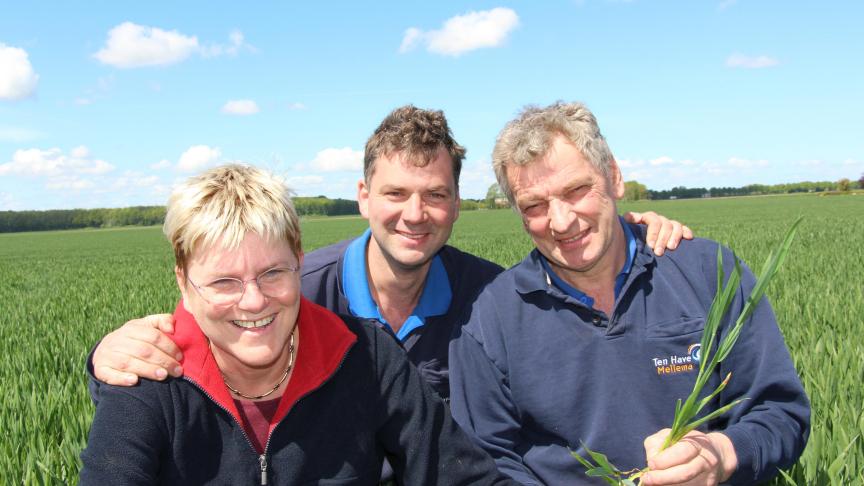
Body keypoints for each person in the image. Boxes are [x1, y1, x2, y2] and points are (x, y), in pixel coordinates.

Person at [88, 105, 691, 404]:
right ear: (363, 197)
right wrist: (104, 358)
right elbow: (185, 360)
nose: (414, 213)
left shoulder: (492, 296)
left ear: (457, 204)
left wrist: (632, 232)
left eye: (435, 195)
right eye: (396, 193)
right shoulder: (291, 287)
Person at [80, 164, 519, 485]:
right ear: (184, 281)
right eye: (224, 281)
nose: (253, 301)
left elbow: (458, 474)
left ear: (299, 264)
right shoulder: (149, 378)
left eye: (273, 273)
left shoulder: (365, 356)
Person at [447, 101, 810, 485]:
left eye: (576, 190)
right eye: (534, 205)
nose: (561, 221)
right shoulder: (491, 319)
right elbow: (485, 460)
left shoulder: (708, 274)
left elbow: (781, 412)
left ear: (614, 177)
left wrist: (722, 455)